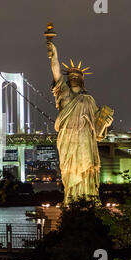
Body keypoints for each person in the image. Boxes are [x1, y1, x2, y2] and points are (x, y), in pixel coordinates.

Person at [47, 40, 113, 204]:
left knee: (87, 168)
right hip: (67, 138)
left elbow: (97, 130)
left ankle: (88, 199)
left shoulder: (88, 99)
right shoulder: (63, 92)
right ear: (68, 79)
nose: (74, 77)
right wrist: (54, 55)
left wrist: (106, 123)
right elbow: (56, 72)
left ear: (82, 79)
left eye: (77, 76)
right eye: (71, 76)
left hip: (85, 139)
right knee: (69, 170)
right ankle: (70, 200)